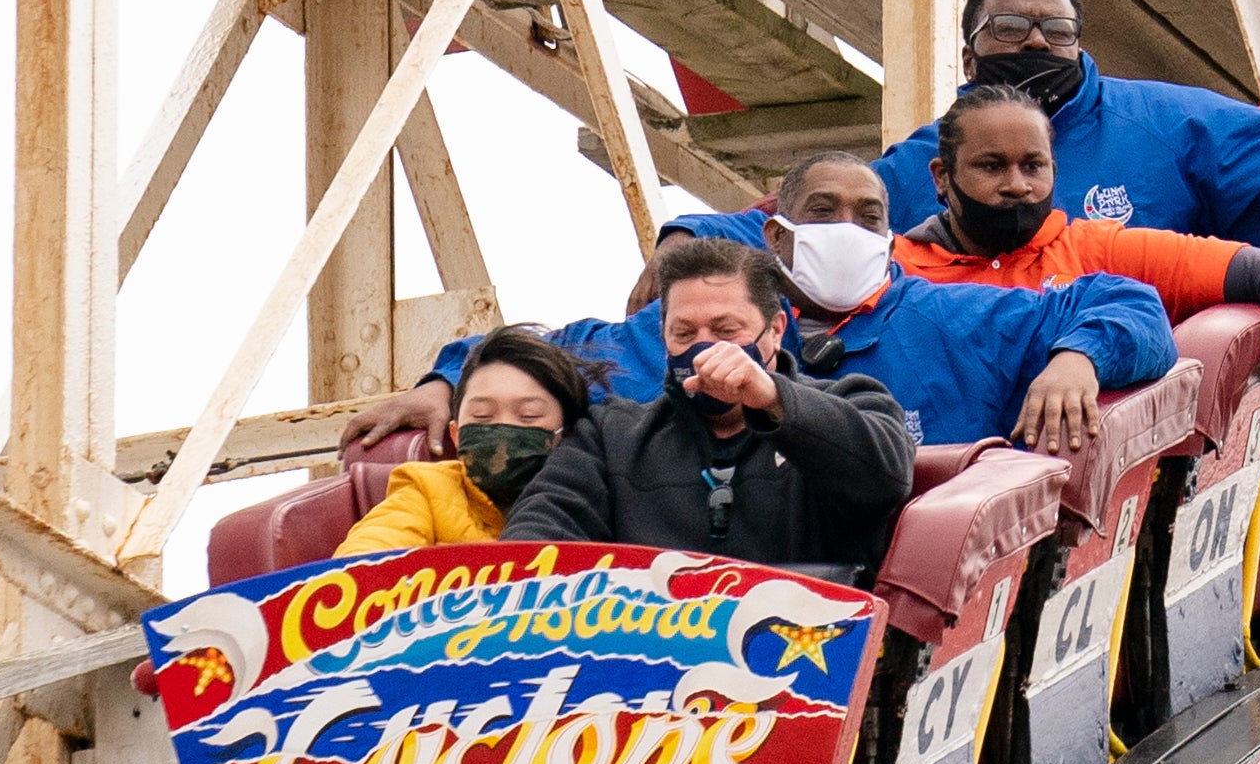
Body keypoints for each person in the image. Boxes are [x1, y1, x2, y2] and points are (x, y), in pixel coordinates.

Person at [342, 152, 1173, 456]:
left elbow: (1127, 305)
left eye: (870, 216)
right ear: (774, 238)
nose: (848, 231)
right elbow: (532, 348)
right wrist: (445, 381)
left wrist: (1077, 356)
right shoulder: (649, 344)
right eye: (822, 214)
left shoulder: (957, 316)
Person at [900, 81, 1260, 558]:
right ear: (941, 177)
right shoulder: (895, 272)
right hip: (918, 510)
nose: (1017, 185)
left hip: (1059, 541)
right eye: (991, 166)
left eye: (1033, 166)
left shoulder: (1101, 251)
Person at [871, 0, 1260, 276]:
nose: (1036, 40)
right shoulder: (911, 167)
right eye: (1010, 26)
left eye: (1058, 29)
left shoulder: (1170, 123)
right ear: (970, 57)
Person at [500, 236, 918, 580]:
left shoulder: (851, 398)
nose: (705, 349)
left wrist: (770, 398)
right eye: (684, 333)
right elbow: (537, 535)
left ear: (774, 330)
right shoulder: (610, 434)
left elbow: (886, 473)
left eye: (725, 330)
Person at [335, 327, 590, 552]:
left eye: (528, 415)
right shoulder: (428, 489)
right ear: (456, 435)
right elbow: (365, 559)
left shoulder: (595, 497)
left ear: (565, 433)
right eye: (482, 416)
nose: (504, 428)